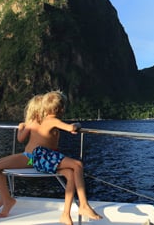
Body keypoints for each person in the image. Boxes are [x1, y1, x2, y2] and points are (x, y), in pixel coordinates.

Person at [30, 90, 102, 224]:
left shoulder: (47, 120)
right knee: (78, 165)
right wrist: (78, 125)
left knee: (71, 174)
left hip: (43, 157)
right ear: (59, 109)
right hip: (43, 156)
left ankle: (65, 214)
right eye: (63, 107)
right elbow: (71, 128)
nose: (64, 109)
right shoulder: (52, 120)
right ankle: (84, 205)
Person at [0, 94, 45, 218]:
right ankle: (3, 197)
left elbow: (20, 139)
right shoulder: (47, 123)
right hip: (34, 157)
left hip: (30, 159)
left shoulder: (31, 123)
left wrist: (21, 127)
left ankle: (8, 200)